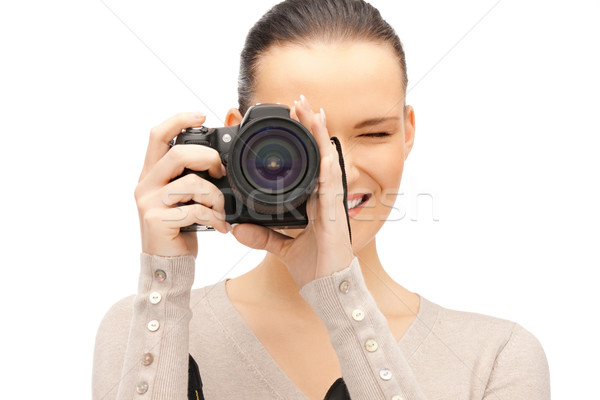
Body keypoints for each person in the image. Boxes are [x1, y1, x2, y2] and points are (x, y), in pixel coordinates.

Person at [92, 1, 550, 399]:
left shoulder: (497, 358)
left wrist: (337, 291)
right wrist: (165, 283)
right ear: (237, 137)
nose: (336, 171)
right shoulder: (147, 325)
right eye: (299, 139)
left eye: (374, 133)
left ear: (408, 133)